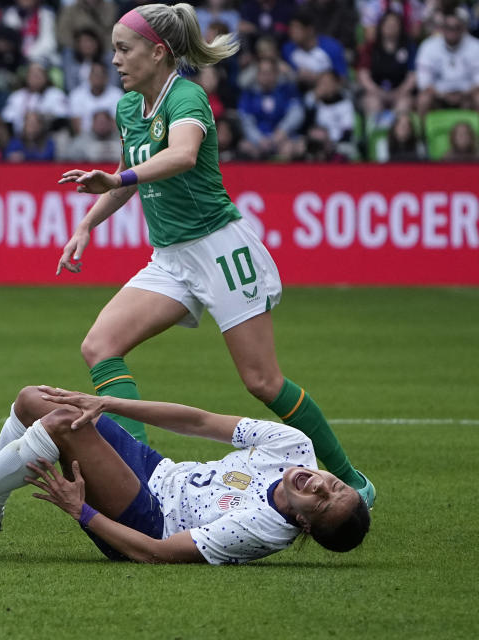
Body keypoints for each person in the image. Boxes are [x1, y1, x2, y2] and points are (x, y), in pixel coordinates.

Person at [53, 4, 375, 507]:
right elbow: (129, 169)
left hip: (220, 251)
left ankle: (353, 480)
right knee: (100, 346)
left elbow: (180, 156)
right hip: (172, 258)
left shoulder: (187, 95)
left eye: (123, 49)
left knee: (263, 382)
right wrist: (87, 223)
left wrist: (118, 179)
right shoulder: (126, 108)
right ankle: (138, 478)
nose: (114, 60)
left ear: (157, 53)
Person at [0, 385, 371, 564]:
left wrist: (82, 510)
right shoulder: (296, 447)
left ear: (305, 525)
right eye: (338, 484)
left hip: (147, 520)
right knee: (35, 400)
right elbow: (198, 421)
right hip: (156, 471)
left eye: (324, 502)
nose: (322, 483)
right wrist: (106, 402)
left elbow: (157, 553)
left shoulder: (260, 528)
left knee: (57, 426)